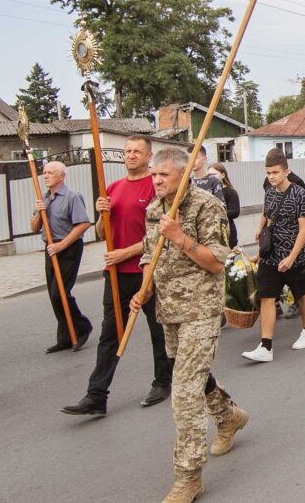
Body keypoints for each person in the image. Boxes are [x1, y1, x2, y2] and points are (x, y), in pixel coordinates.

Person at [128, 147, 247, 502]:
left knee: (183, 391)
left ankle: (189, 475)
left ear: (185, 174)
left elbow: (215, 263)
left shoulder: (207, 206)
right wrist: (144, 289)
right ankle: (228, 416)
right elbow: (151, 254)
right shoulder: (155, 209)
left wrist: (182, 238)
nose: (157, 180)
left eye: (163, 174)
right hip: (170, 310)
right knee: (194, 377)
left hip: (201, 309)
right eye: (154, 174)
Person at [61, 136, 173, 418]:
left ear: (149, 156)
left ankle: (163, 382)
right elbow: (101, 233)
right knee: (110, 334)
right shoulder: (113, 188)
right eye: (127, 151)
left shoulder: (155, 187)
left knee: (158, 331)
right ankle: (96, 395)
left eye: (137, 151)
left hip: (149, 271)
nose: (131, 155)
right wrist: (102, 215)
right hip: (116, 275)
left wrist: (125, 253)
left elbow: (159, 235)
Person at [243, 149, 305, 363]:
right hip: (271, 255)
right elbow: (267, 216)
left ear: (287, 171)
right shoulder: (269, 193)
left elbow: (304, 229)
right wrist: (260, 240)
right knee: (267, 297)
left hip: (296, 255)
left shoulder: (299, 194)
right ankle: (266, 346)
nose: (271, 176)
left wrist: (292, 257)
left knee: (302, 293)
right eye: (268, 173)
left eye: (275, 172)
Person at [30, 160, 93, 353]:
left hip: (68, 248)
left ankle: (82, 327)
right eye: (45, 173)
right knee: (53, 294)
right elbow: (34, 227)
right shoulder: (44, 198)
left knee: (60, 292)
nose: (46, 176)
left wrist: (62, 245)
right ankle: (65, 337)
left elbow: (83, 224)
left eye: (50, 173)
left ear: (62, 176)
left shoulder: (72, 196)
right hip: (51, 248)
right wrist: (40, 212)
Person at [209, 163, 239, 249]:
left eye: (214, 174)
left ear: (223, 175)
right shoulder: (207, 191)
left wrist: (216, 212)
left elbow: (235, 212)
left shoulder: (230, 191)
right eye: (209, 175)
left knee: (227, 261)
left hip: (227, 231)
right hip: (212, 233)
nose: (211, 177)